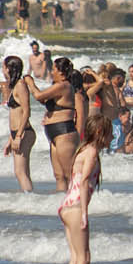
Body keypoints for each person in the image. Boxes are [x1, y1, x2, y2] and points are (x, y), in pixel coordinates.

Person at [57, 113, 111, 264]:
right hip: (76, 207)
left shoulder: (83, 150)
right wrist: (85, 214)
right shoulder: (91, 153)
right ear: (99, 132)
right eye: (109, 134)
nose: (111, 138)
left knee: (75, 258)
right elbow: (85, 180)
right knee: (84, 257)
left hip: (66, 207)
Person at [34, 56, 86, 191]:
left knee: (70, 175)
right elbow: (43, 100)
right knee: (59, 175)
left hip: (64, 132)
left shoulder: (64, 85)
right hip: (53, 133)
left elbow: (38, 95)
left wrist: (29, 82)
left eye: (53, 69)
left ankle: (79, 204)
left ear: (60, 72)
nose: (51, 72)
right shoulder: (57, 87)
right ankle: (61, 204)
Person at [2, 55, 39, 191]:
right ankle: (30, 199)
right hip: (17, 133)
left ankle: (30, 200)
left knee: (20, 172)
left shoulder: (20, 85)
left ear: (9, 68)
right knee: (23, 172)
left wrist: (18, 136)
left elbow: (26, 111)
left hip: (24, 133)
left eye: (3, 67)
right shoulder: (13, 86)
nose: (3, 70)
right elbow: (14, 115)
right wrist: (10, 139)